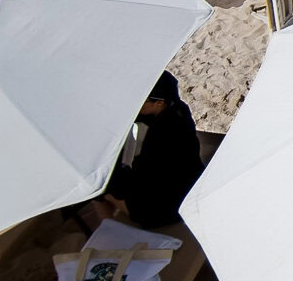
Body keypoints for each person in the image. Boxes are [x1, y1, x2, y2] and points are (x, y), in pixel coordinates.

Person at [86, 71, 204, 229]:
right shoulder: (179, 109)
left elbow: (146, 175)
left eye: (143, 100)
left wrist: (114, 184)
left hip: (167, 206)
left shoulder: (164, 133)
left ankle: (110, 231)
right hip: (190, 182)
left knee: (98, 186)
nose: (137, 104)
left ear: (159, 103)